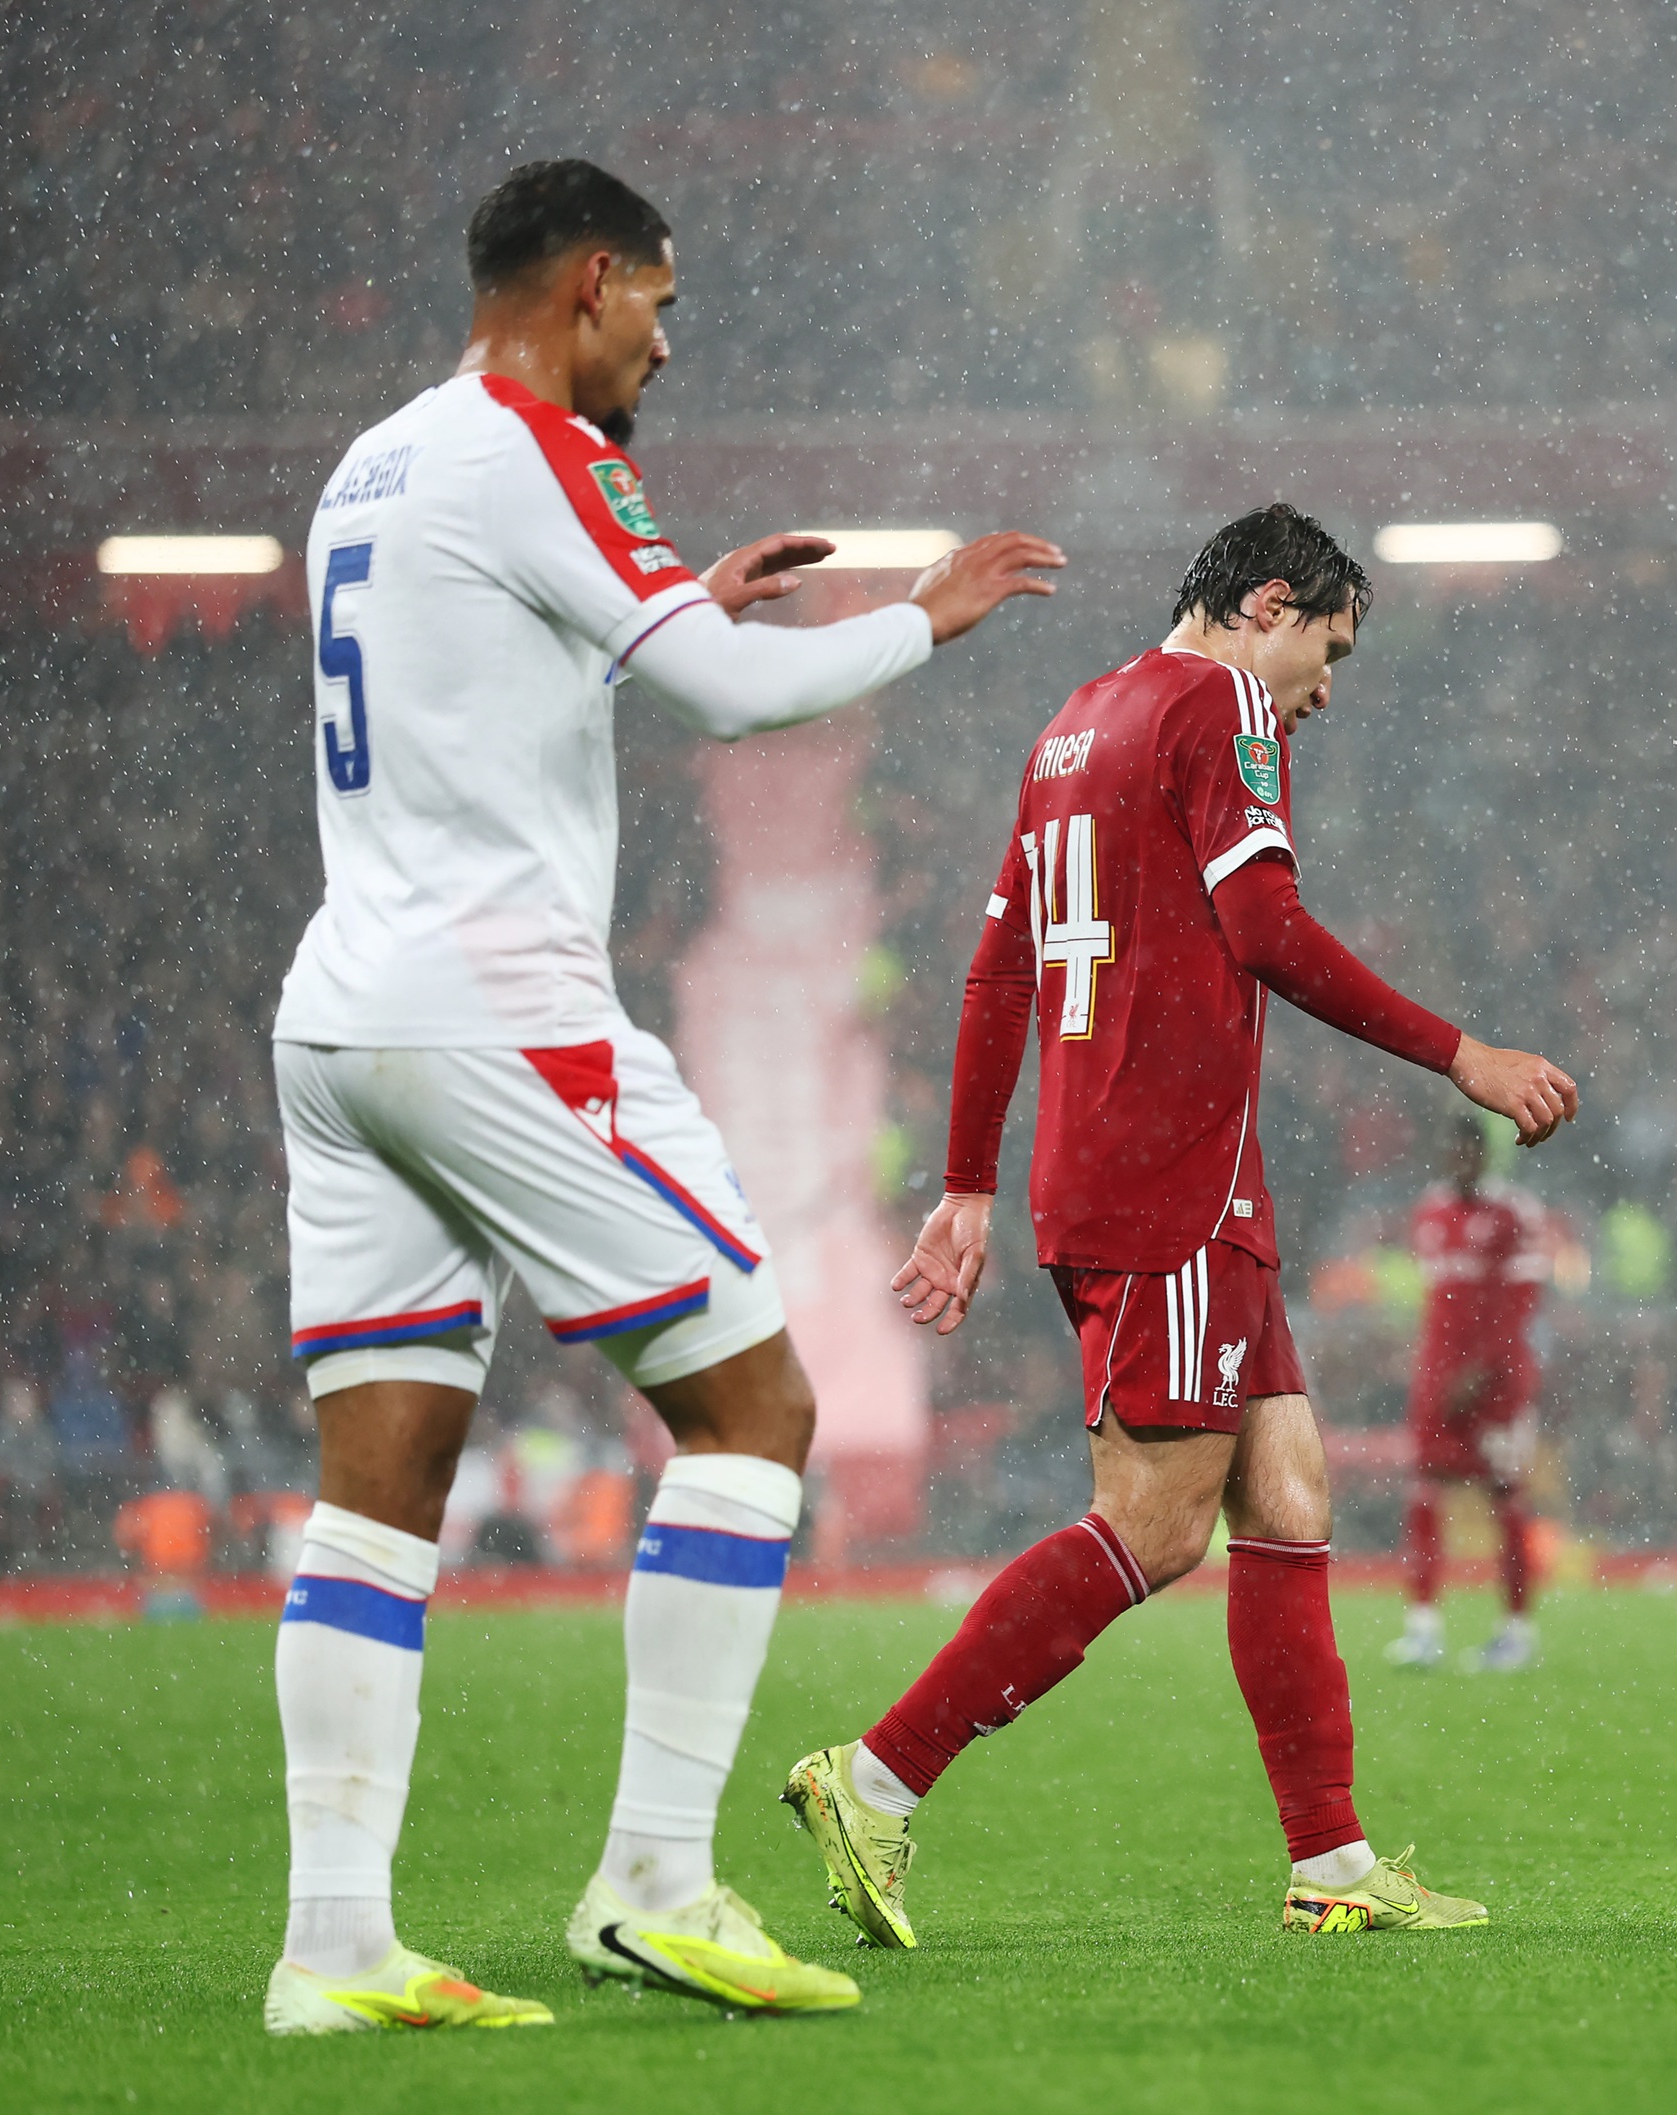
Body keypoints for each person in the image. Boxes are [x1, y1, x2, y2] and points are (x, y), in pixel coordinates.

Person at [262, 159, 1064, 2036]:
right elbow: (732, 699)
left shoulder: (369, 466)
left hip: (344, 1016)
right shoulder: (536, 442)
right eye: (662, 307)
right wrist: (925, 620)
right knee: (756, 1406)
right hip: (499, 1016)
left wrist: (656, 606)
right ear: (591, 284)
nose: (668, 345)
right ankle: (651, 1881)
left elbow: (479, 697)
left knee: (378, 1497)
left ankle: (329, 1946)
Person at [783, 504, 1578, 1947]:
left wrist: (968, 1183)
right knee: (1152, 1528)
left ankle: (1330, 1857)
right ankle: (877, 1775)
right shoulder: (1218, 703)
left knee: (1288, 1493)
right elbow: (1267, 928)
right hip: (1175, 1180)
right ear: (1268, 602)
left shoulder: (1076, 722)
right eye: (1327, 648)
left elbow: (996, 973)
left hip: (1142, 1170)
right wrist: (1462, 1052)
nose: (1326, 688)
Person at [1386, 1111, 1557, 1674]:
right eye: (1449, 1151)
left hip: (1498, 1385)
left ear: (1483, 1155)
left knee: (1504, 1497)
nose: (1457, 1161)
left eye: (1467, 1152)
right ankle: (1424, 1630)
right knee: (1425, 1492)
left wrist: (1482, 1371)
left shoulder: (1515, 1214)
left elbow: (1520, 1307)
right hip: (1438, 1382)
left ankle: (1515, 1630)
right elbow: (1439, 1304)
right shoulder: (1430, 1211)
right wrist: (1431, 1368)